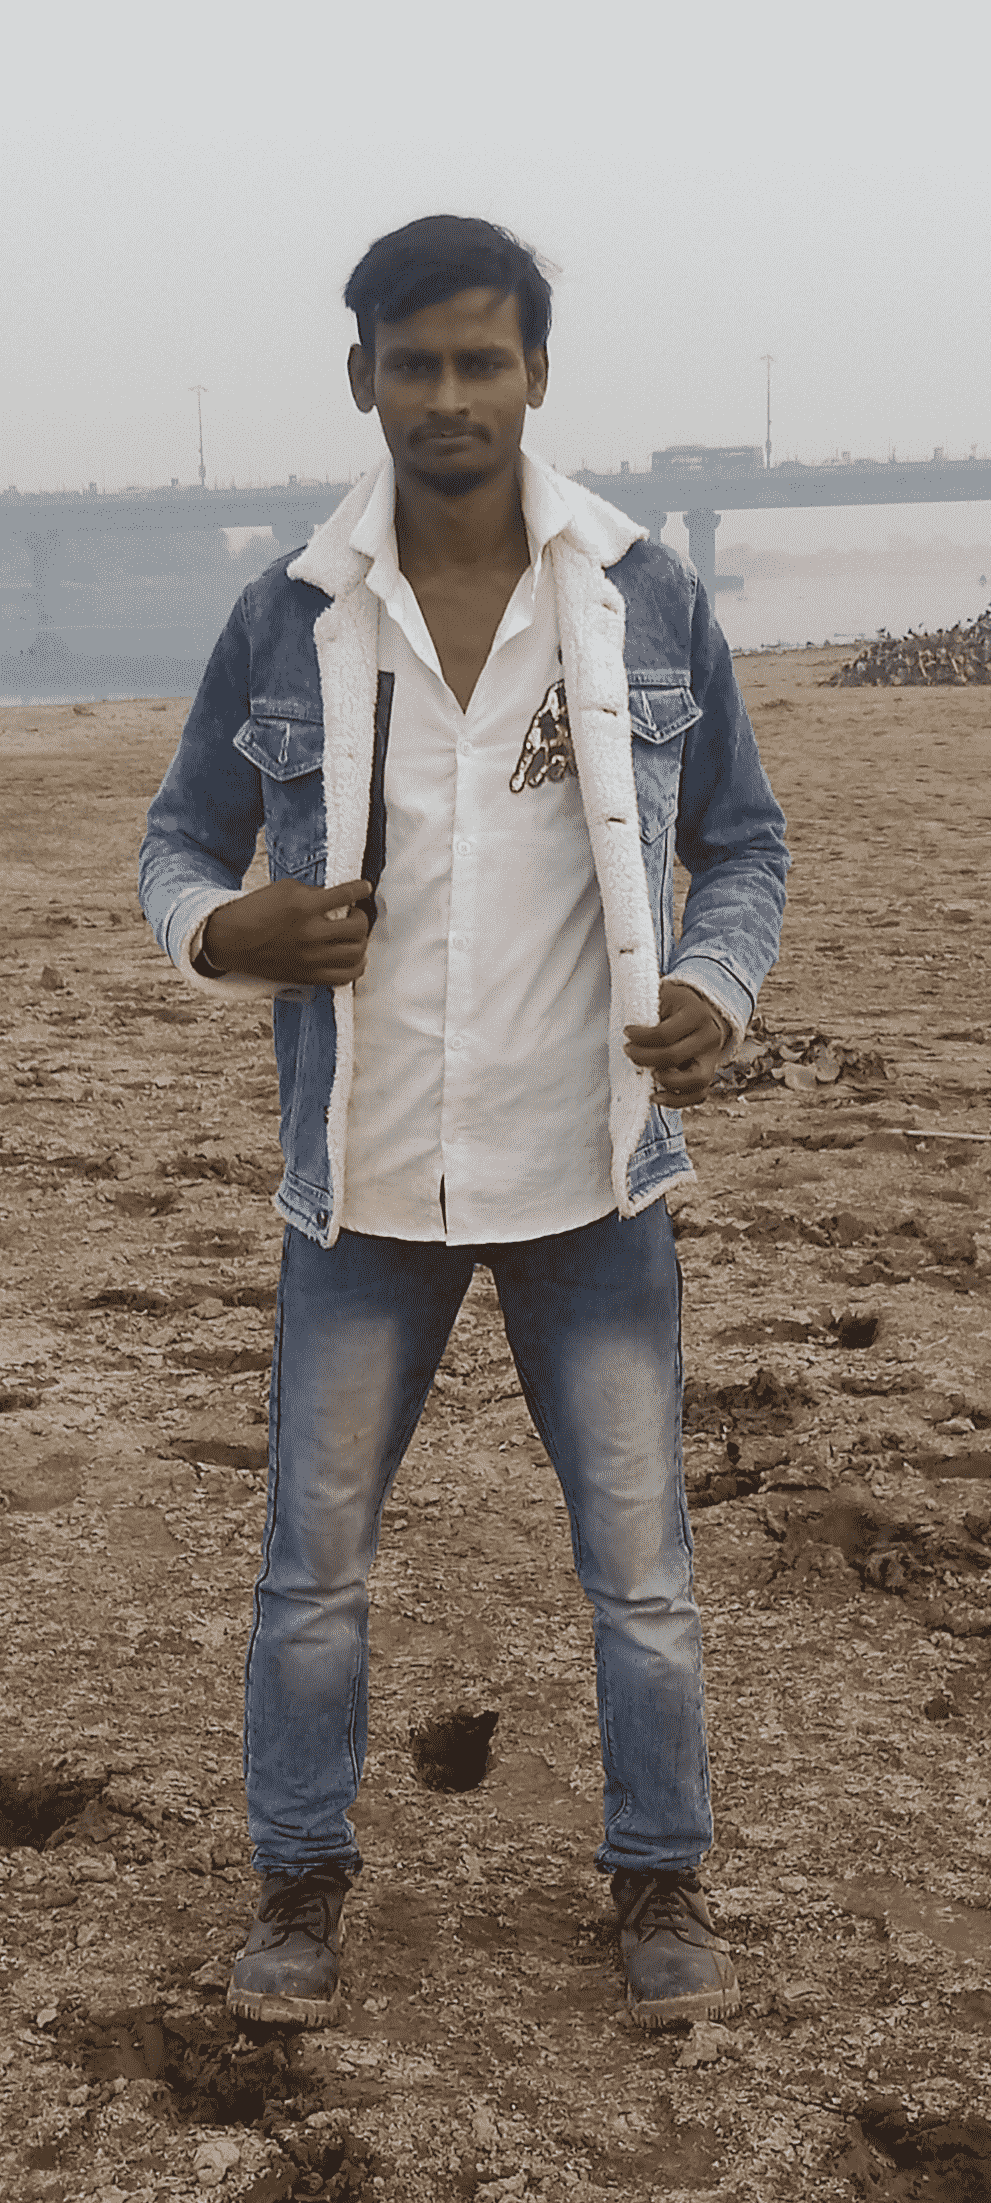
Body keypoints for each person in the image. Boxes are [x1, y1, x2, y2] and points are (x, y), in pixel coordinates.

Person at [138, 214, 791, 2034]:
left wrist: (715, 987)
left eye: (480, 361)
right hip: (359, 1187)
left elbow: (742, 842)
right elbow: (177, 842)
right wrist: (225, 933)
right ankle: (298, 1884)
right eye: (413, 363)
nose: (448, 396)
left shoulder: (643, 594)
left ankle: (659, 1879)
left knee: (641, 1574)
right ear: (362, 377)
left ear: (535, 374)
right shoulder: (287, 613)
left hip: (591, 1175)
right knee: (312, 1570)